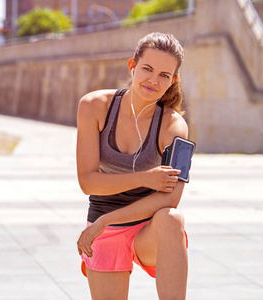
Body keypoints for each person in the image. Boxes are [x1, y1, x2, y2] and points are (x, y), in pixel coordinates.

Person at [76, 32, 189, 300]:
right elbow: (87, 182)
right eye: (147, 69)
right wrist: (146, 178)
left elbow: (171, 197)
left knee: (172, 220)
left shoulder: (174, 127)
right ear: (132, 67)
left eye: (164, 75)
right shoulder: (94, 106)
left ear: (172, 81)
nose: (153, 80)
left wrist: (106, 220)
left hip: (147, 230)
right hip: (105, 233)